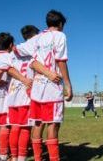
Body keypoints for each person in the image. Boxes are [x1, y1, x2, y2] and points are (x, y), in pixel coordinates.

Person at [14, 10, 73, 161]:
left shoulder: (36, 38)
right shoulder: (60, 35)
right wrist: (68, 84)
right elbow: (61, 60)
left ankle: (38, 158)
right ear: (60, 24)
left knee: (38, 124)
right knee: (53, 124)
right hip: (52, 87)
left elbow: (16, 50)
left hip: (37, 87)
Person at [0, 32, 32, 161]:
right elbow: (3, 71)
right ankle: (5, 156)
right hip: (7, 96)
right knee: (9, 127)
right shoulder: (9, 56)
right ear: (11, 45)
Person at [5, 25, 39, 161]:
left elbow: (7, 69)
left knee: (14, 127)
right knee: (25, 128)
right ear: (35, 34)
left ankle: (14, 157)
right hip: (26, 93)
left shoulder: (14, 51)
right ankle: (21, 158)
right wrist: (25, 80)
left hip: (12, 93)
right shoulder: (36, 48)